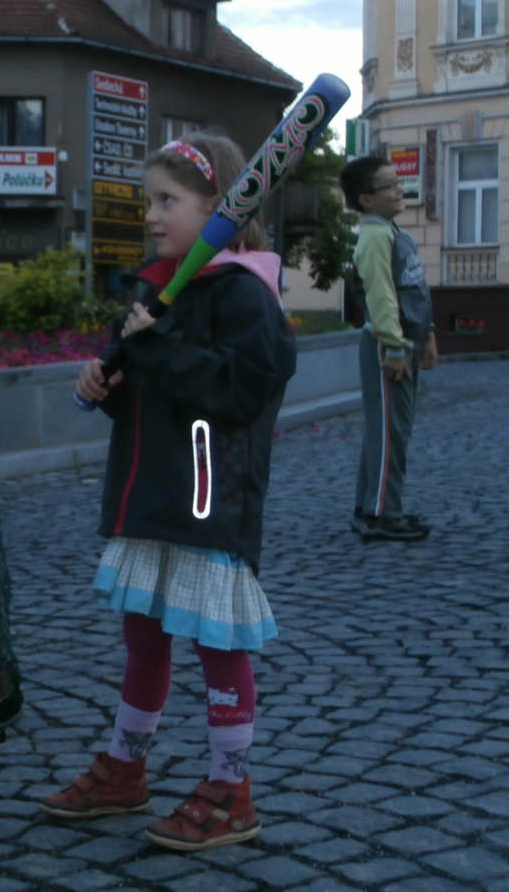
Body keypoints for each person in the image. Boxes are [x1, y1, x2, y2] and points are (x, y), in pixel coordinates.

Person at [39, 132, 296, 851]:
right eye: (148, 199)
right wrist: (111, 384)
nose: (150, 214)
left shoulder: (245, 293)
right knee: (142, 635)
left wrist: (156, 346)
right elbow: (155, 395)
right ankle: (126, 766)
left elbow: (240, 392)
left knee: (217, 642)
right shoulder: (158, 288)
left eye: (167, 200)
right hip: (149, 496)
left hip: (208, 503)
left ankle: (232, 788)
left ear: (219, 208)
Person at [339, 156, 438, 541]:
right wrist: (394, 348)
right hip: (387, 347)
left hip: (406, 341)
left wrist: (428, 334)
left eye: (398, 182)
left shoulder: (392, 232)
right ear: (366, 199)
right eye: (390, 185)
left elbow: (413, 289)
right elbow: (381, 297)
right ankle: (383, 514)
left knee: (386, 431)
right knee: (389, 435)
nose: (400, 190)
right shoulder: (374, 237)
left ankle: (369, 507)